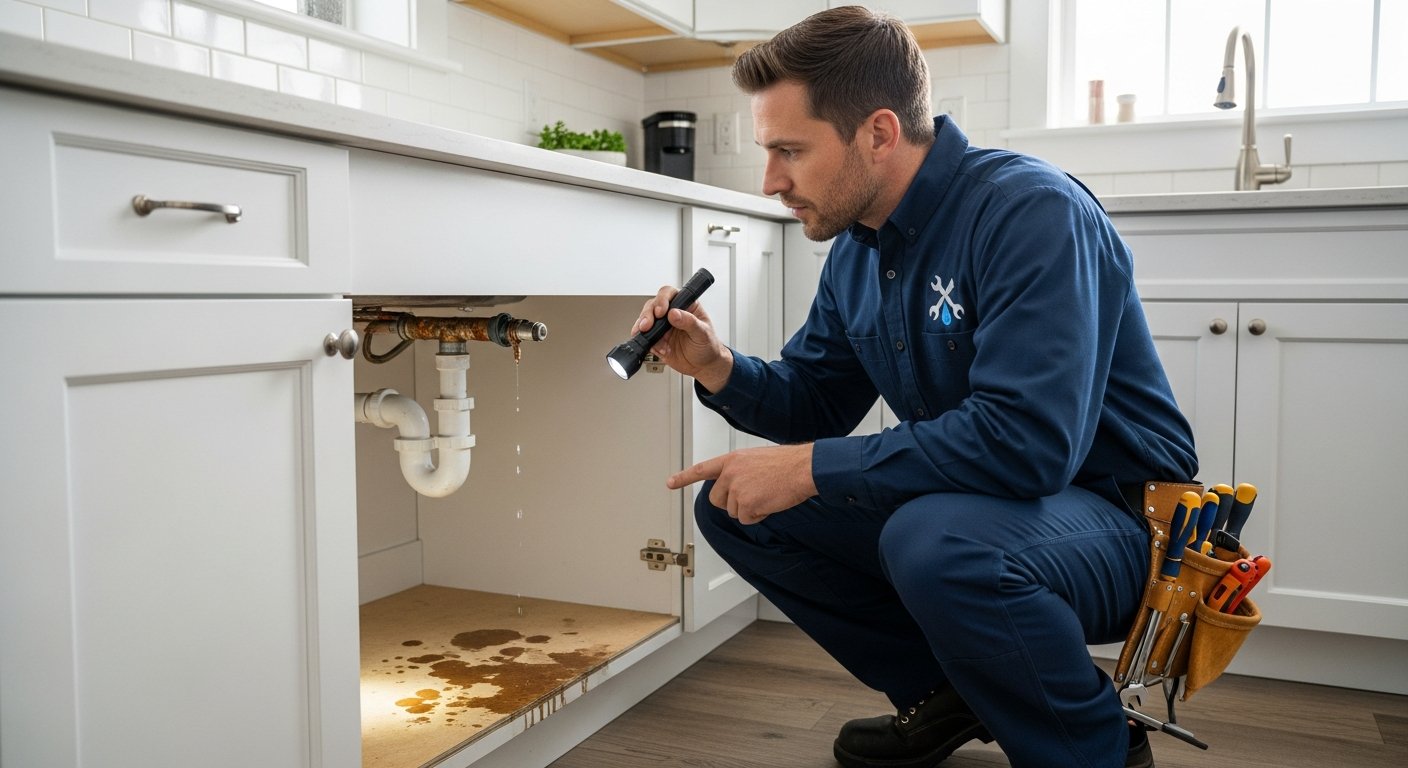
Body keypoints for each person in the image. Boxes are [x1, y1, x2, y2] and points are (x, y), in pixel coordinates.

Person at [632, 6, 1197, 768]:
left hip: (1126, 525)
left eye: (789, 151)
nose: (771, 182)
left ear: (879, 133)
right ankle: (953, 692)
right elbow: (816, 397)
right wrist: (716, 366)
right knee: (737, 507)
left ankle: (1095, 748)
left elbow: (1027, 448)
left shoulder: (1029, 211)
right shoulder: (859, 250)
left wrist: (809, 466)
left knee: (934, 541)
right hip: (985, 507)